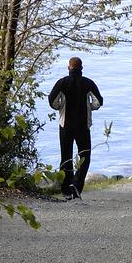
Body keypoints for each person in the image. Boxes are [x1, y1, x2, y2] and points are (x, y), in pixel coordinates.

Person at [48, 56, 103, 200]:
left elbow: (52, 101)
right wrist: (90, 107)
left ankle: (66, 190)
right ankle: (76, 186)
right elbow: (98, 102)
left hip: (65, 125)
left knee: (66, 157)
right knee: (85, 156)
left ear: (68, 68)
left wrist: (60, 107)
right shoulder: (88, 83)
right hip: (83, 126)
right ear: (82, 68)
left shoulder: (62, 83)